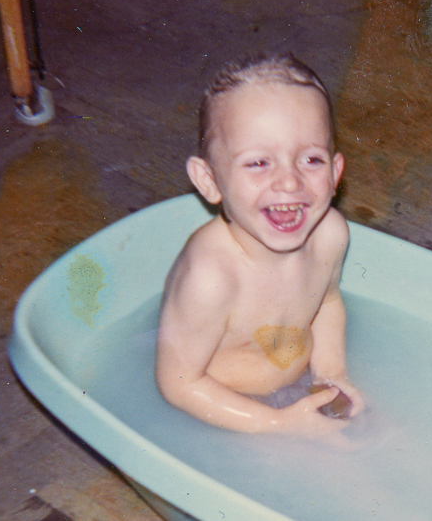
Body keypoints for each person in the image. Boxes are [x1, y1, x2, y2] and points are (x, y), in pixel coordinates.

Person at [156, 53, 365, 438]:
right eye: (258, 164)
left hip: (296, 389)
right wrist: (278, 424)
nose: (289, 182)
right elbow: (179, 384)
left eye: (311, 159)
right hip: (225, 411)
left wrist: (331, 373)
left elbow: (328, 302)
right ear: (209, 181)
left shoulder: (331, 235)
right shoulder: (212, 276)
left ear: (336, 173)